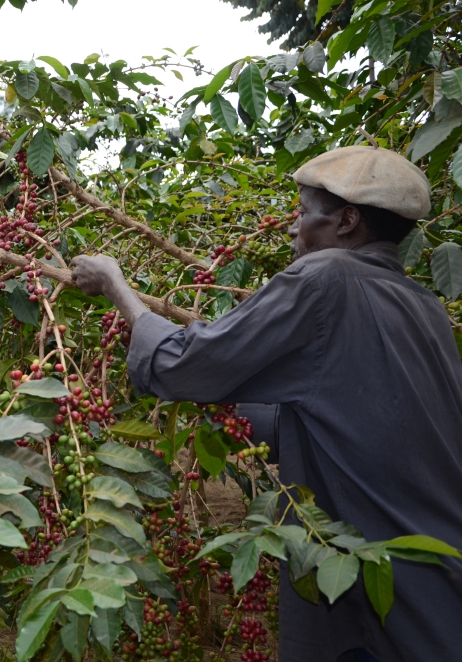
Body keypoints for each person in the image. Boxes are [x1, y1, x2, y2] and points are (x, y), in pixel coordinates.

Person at [71, 145, 462, 662]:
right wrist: (225, 416)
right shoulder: (425, 306)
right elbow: (356, 417)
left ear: (346, 220)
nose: (292, 230)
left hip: (370, 574)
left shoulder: (326, 279)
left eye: (302, 214)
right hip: (439, 570)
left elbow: (182, 363)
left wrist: (117, 288)